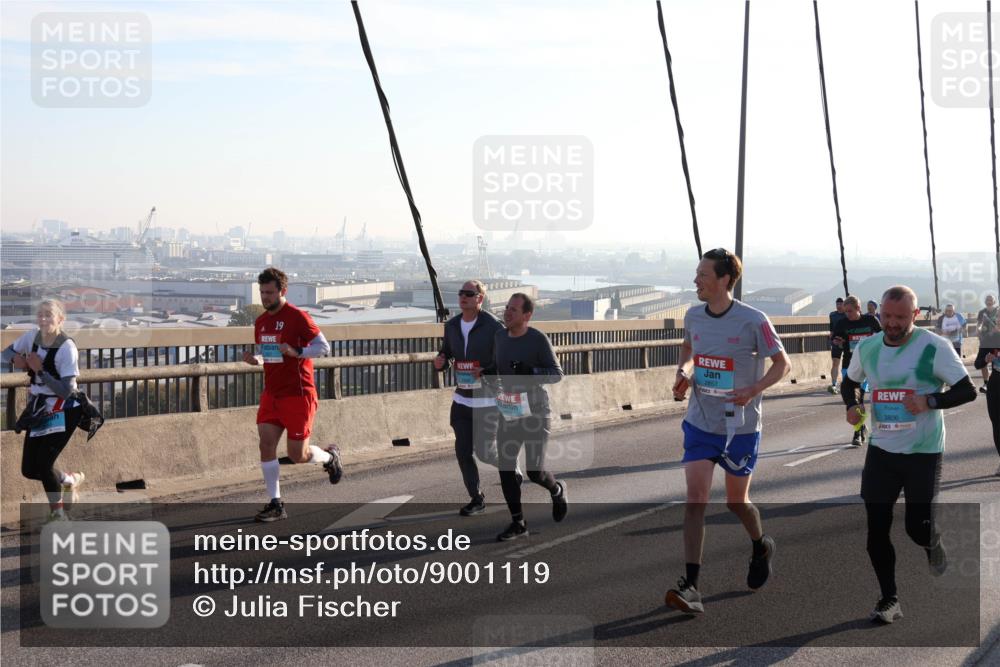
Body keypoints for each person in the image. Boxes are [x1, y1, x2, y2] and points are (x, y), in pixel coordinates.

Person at [665, 248, 790, 615]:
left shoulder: (753, 320)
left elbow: (783, 363)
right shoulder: (692, 315)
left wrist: (753, 389)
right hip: (701, 421)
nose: (696, 281)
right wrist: (684, 372)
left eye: (703, 275)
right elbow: (689, 348)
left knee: (737, 502)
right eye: (697, 273)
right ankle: (691, 586)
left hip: (740, 428)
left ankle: (760, 544)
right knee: (695, 501)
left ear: (724, 279)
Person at [841, 286, 976, 624]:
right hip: (882, 451)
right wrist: (852, 405)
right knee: (876, 529)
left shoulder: (934, 347)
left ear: (914, 316)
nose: (892, 323)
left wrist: (929, 401)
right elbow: (849, 382)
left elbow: (967, 390)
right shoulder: (869, 347)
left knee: (918, 528)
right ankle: (889, 599)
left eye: (900, 317)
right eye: (886, 316)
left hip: (923, 451)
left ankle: (932, 542)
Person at [242, 267, 340, 522]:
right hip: (272, 394)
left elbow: (324, 347)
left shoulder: (298, 317)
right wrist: (258, 359)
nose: (265, 297)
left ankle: (330, 457)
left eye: (270, 292)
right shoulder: (261, 322)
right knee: (266, 444)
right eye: (262, 292)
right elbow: (272, 355)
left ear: (282, 291)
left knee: (298, 455)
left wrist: (297, 350)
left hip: (298, 395)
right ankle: (276, 503)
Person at [434, 280, 521, 516]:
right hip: (462, 400)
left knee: (485, 452)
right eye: (461, 293)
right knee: (463, 452)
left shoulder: (493, 325)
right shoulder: (451, 325)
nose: (463, 297)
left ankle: (511, 467)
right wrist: (441, 362)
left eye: (469, 294)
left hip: (487, 401)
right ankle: (476, 498)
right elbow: (447, 352)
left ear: (480, 299)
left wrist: (485, 370)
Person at [1, 299, 85, 521]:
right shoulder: (33, 337)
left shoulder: (67, 347)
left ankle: (58, 514)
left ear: (60, 319)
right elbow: (6, 353)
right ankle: (69, 479)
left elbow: (67, 391)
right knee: (29, 469)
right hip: (40, 409)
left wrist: (41, 370)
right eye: (40, 315)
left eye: (48, 315)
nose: (43, 319)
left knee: (45, 465)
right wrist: (21, 361)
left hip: (65, 408)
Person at [492, 293, 567, 541]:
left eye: (514, 310)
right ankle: (518, 522)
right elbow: (499, 367)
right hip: (510, 408)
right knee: (505, 466)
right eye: (507, 308)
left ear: (527, 315)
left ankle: (556, 490)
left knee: (534, 472)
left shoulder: (537, 339)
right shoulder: (500, 336)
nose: (507, 313)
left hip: (536, 410)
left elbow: (557, 374)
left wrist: (531, 371)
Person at [832, 295, 881, 446]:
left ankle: (857, 432)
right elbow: (835, 339)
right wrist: (838, 342)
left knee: (858, 399)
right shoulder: (842, 323)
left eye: (850, 311)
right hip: (850, 364)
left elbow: (883, 337)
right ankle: (860, 429)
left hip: (869, 365)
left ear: (859, 309)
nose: (848, 314)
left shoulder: (871, 321)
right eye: (846, 311)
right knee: (853, 400)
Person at [975, 295, 1000, 393]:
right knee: (985, 360)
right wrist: (978, 330)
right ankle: (986, 382)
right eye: (987, 300)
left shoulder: (997, 310)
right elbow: (979, 324)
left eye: (991, 300)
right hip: (987, 338)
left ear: (994, 301)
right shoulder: (982, 312)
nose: (989, 301)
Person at [984, 349, 1000, 477]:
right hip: (995, 386)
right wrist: (985, 358)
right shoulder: (991, 340)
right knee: (997, 424)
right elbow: (978, 363)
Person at [828, 297, 847, 394]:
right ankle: (834, 384)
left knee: (848, 363)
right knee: (835, 363)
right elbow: (831, 328)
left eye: (841, 304)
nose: (839, 306)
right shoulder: (832, 315)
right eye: (837, 304)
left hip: (847, 342)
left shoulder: (848, 314)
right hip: (836, 341)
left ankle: (846, 384)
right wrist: (831, 338)